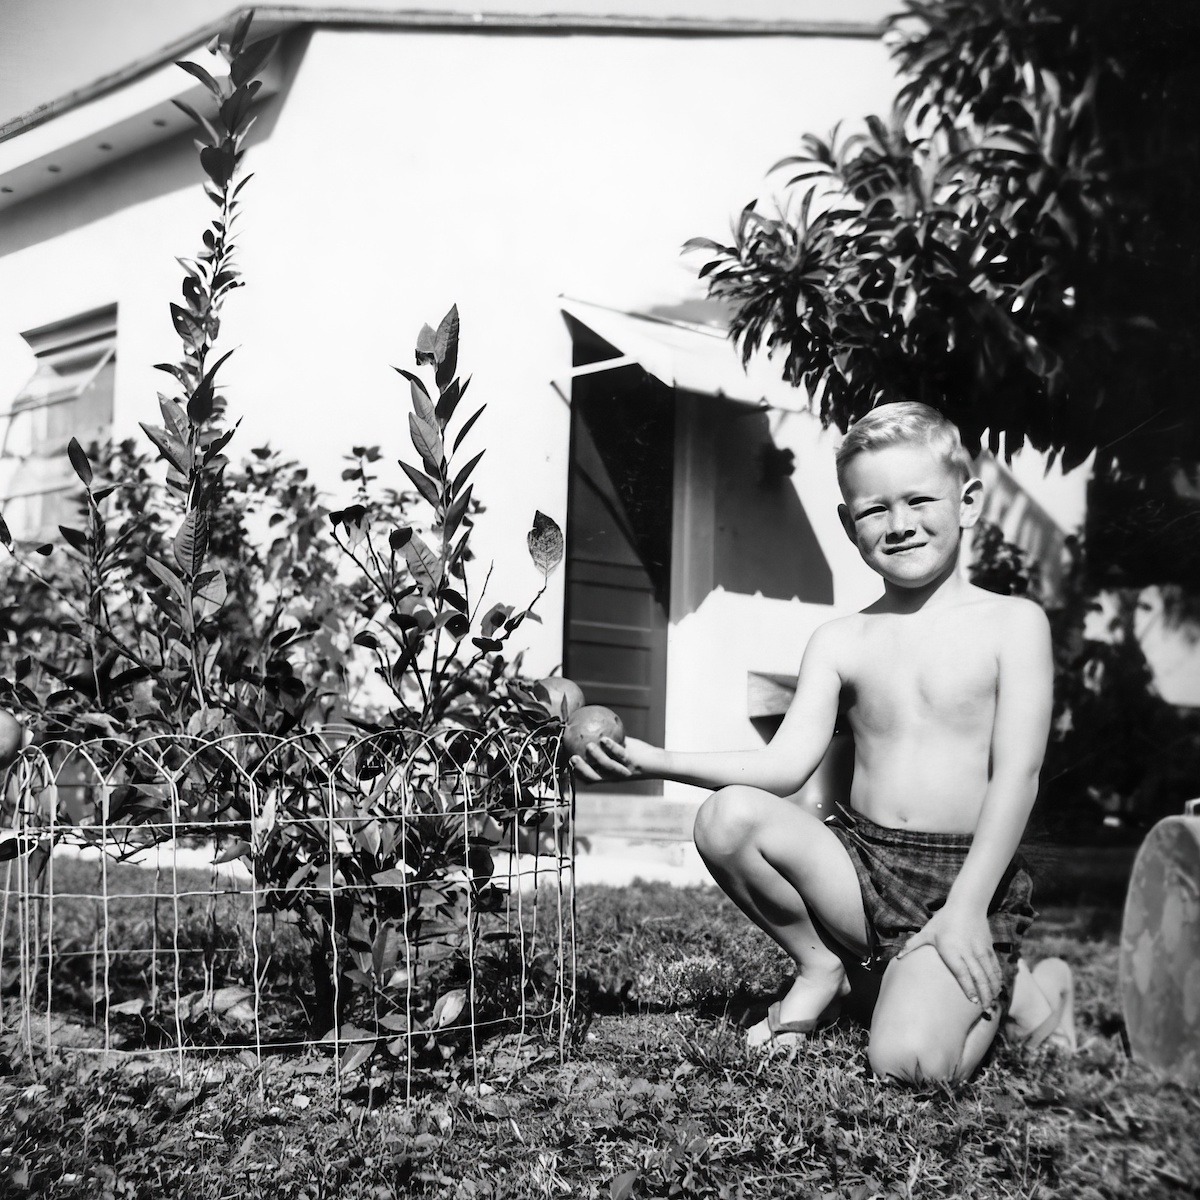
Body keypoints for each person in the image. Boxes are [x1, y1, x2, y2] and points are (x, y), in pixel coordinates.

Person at [571, 401, 1075, 1084]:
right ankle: (822, 966)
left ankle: (1030, 989)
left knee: (911, 1064)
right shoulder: (841, 640)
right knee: (727, 818)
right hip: (862, 873)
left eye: (920, 499)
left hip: (967, 879)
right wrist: (649, 759)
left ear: (969, 502)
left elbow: (1019, 775)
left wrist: (964, 912)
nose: (899, 525)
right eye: (873, 510)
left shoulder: (1013, 625)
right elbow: (782, 766)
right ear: (848, 523)